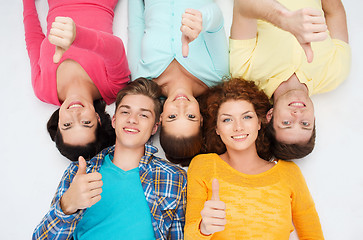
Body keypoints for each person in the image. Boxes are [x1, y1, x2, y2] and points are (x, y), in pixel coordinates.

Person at [32, 78, 187, 240]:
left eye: (143, 115)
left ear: (155, 127)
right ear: (114, 120)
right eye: (125, 112)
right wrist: (67, 206)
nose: (132, 119)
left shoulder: (174, 177)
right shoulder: (79, 172)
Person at [185, 78, 323, 239]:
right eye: (227, 119)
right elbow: (189, 235)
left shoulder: (289, 173)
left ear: (259, 122)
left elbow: (313, 235)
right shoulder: (203, 165)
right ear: (217, 128)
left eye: (247, 117)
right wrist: (204, 229)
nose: (238, 127)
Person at [229, 0, 351, 159]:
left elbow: (243, 6)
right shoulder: (336, 72)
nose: (297, 115)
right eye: (305, 124)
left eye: (287, 123)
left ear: (270, 115)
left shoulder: (245, 72)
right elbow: (335, 13)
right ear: (313, 119)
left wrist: (284, 19)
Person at [23, 0, 130, 161]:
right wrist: (77, 36)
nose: (75, 114)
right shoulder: (113, 89)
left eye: (67, 125)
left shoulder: (43, 89)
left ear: (58, 124)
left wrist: (27, 2)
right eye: (86, 122)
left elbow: (34, 40)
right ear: (98, 119)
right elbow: (116, 49)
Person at [128, 0, 229, 166]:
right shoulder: (217, 75)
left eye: (172, 116)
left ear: (160, 118)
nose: (181, 106)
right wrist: (201, 21)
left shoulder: (141, 78)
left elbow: (135, 25)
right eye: (191, 116)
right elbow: (217, 20)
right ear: (201, 119)